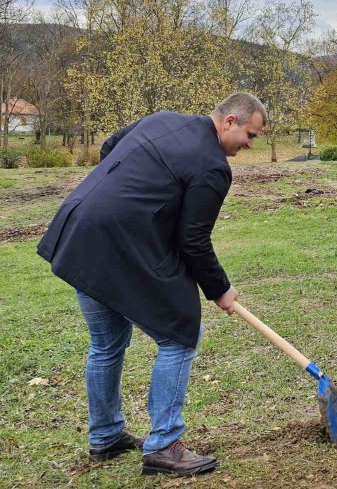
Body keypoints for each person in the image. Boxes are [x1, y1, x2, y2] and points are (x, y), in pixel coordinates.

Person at [37, 93, 267, 475]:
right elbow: (193, 241)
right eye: (250, 134)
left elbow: (111, 145)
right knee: (180, 333)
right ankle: (164, 445)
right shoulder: (213, 166)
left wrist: (125, 197)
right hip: (117, 243)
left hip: (80, 229)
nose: (250, 143)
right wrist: (220, 289)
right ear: (229, 121)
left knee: (107, 343)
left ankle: (106, 436)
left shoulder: (162, 119)